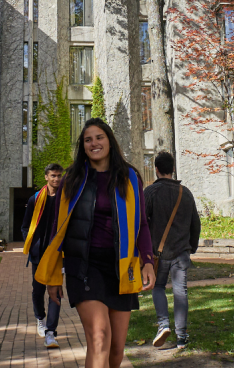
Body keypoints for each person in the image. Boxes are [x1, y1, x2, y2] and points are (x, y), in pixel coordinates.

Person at [35, 118, 157, 368]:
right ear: (83, 146)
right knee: (99, 338)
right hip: (85, 267)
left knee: (116, 351)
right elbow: (57, 231)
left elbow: (141, 223)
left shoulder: (130, 177)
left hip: (122, 267)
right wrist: (54, 277)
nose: (94, 143)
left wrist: (147, 260)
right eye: (88, 139)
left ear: (109, 141)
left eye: (99, 137)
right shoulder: (72, 179)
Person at [143, 151, 201, 349]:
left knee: (158, 287)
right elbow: (196, 223)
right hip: (181, 252)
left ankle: (163, 325)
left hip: (157, 253)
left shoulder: (150, 193)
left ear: (156, 169)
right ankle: (182, 336)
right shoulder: (186, 193)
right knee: (180, 292)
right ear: (173, 169)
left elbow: (141, 223)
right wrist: (192, 246)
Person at [21, 163, 66, 349]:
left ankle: (51, 331)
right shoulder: (35, 199)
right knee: (38, 290)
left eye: (59, 176)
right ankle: (40, 318)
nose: (56, 179)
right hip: (39, 253)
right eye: (53, 176)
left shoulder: (65, 199)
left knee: (56, 291)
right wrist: (31, 246)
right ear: (46, 177)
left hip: (58, 253)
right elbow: (25, 226)